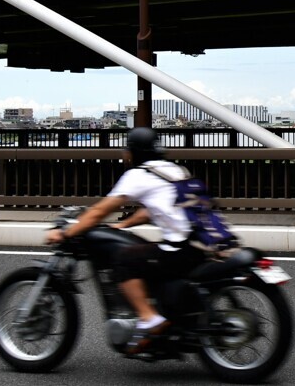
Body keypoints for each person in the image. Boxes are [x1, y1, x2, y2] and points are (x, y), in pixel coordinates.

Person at [45, 127, 207, 354]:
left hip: (180, 250)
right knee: (146, 256)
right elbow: (152, 210)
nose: (125, 155)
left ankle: (149, 319)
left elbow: (100, 211)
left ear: (134, 152)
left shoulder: (138, 175)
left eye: (127, 150)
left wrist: (65, 233)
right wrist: (123, 225)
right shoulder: (174, 171)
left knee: (125, 259)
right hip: (201, 245)